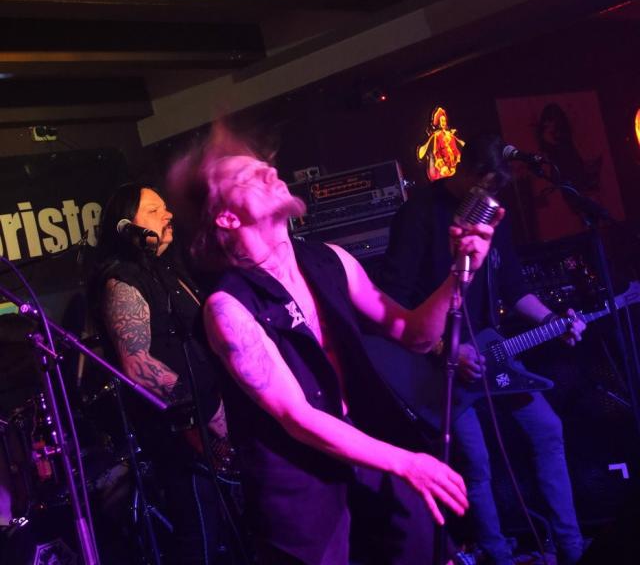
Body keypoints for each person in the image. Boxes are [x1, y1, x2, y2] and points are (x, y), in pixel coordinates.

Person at [167, 138, 501, 565]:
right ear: (227, 217)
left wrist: (460, 273)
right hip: (301, 489)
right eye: (248, 176)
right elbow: (298, 417)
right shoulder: (228, 309)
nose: (270, 171)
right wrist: (407, 463)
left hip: (371, 453)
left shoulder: (329, 260)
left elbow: (415, 334)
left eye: (264, 165)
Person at [377, 134, 587, 565]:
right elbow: (393, 299)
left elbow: (514, 288)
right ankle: (497, 554)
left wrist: (553, 320)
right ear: (468, 171)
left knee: (547, 430)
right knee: (475, 461)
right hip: (437, 362)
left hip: (491, 350)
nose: (488, 197)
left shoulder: (493, 214)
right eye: (484, 185)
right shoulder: (418, 213)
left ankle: (571, 548)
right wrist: (443, 348)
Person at [88, 183, 229, 565]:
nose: (168, 215)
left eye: (165, 208)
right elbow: (139, 366)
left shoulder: (172, 270)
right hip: (183, 433)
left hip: (215, 425)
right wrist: (208, 410)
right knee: (198, 538)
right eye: (153, 210)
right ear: (126, 227)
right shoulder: (121, 281)